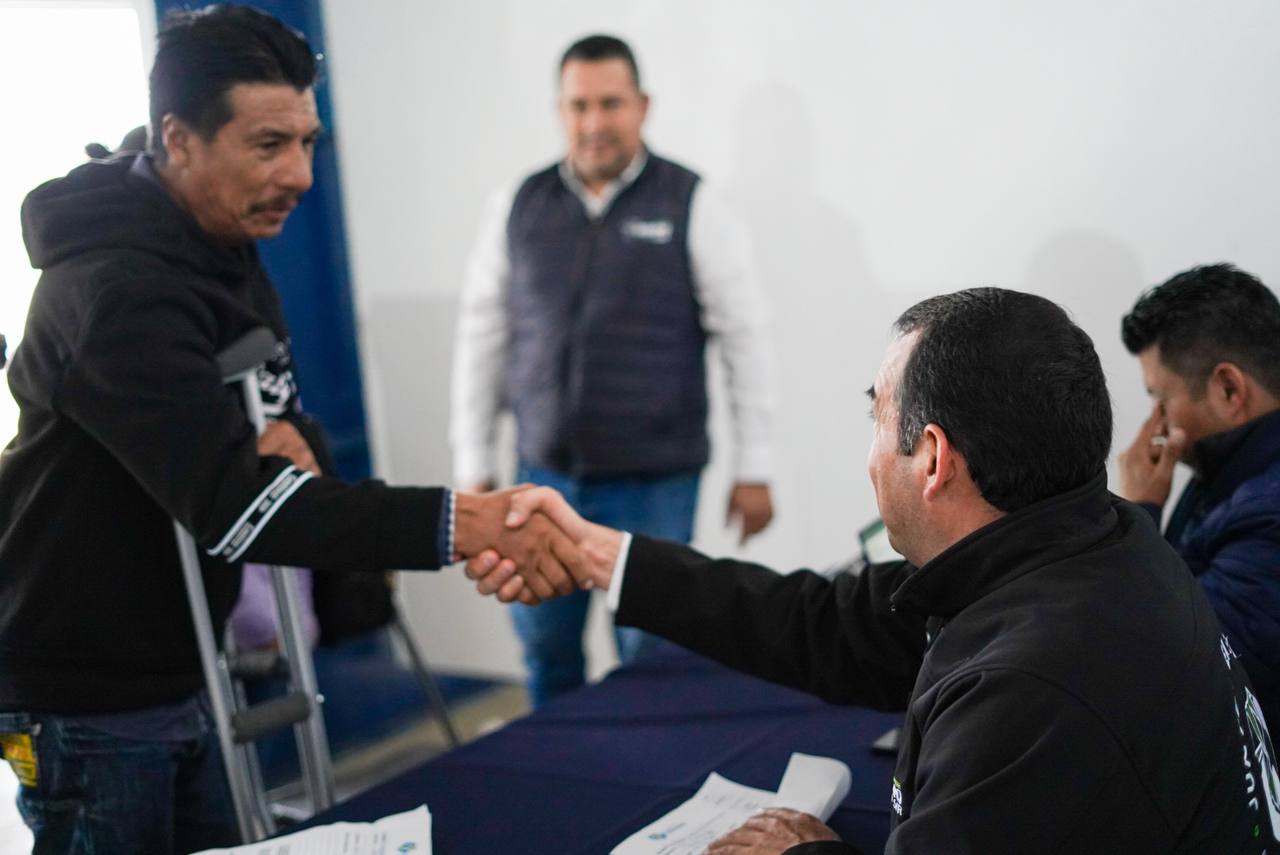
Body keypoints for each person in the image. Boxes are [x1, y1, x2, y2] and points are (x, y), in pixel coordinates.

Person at [0, 6, 576, 853]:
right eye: (269, 144)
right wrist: (468, 521)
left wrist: (290, 441)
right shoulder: (117, 292)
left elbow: (277, 416)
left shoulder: (218, 236)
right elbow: (242, 508)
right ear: (179, 139)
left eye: (308, 142)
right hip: (85, 687)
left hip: (182, 659)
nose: (300, 175)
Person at [472, 287, 1279, 853]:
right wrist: (600, 555)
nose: (868, 457)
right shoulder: (1082, 540)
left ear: (932, 458)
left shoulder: (1031, 684)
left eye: (876, 421)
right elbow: (817, 622)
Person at [450, 34, 778, 705]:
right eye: (579, 106)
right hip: (543, 479)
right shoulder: (518, 204)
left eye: (611, 104)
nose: (595, 122)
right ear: (560, 111)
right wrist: (472, 462)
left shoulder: (694, 202)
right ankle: (557, 767)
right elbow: (482, 332)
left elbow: (745, 337)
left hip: (656, 485)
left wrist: (756, 467)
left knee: (649, 662)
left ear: (642, 106)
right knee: (546, 651)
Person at [1116, 263, 1280, 731]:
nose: (1158, 424)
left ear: (1229, 389)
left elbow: (1173, 668)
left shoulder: (1268, 514)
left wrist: (1138, 514)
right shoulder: (1227, 472)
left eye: (1162, 400)